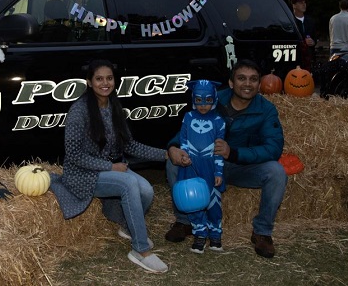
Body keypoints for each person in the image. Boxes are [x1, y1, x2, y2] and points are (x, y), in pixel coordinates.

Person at [49, 59, 169, 273]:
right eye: (99, 79)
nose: (105, 83)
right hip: (82, 174)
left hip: (111, 169)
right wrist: (110, 167)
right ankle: (140, 250)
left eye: (109, 78)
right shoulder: (79, 110)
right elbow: (74, 155)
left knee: (147, 190)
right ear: (89, 82)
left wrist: (166, 154)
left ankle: (126, 225)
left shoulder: (114, 106)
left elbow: (130, 144)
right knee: (129, 183)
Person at [165, 59, 287, 259]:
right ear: (231, 83)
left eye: (253, 79)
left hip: (242, 167)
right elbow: (188, 128)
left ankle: (262, 232)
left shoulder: (266, 110)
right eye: (241, 78)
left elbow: (273, 148)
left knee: (276, 172)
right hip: (206, 165)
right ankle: (185, 221)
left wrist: (234, 153)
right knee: (173, 164)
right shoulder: (212, 99)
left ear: (259, 84)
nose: (247, 84)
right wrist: (173, 147)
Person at [175, 79, 226, 254]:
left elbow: (219, 149)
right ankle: (200, 234)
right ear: (193, 99)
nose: (203, 105)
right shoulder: (188, 117)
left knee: (213, 203)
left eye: (208, 100)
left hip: (211, 167)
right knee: (194, 202)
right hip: (191, 167)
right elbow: (183, 140)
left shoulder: (219, 121)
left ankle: (215, 234)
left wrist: (219, 171)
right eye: (199, 100)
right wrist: (184, 156)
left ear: (214, 99)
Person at [290, 0, 317, 70]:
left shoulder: (310, 21)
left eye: (304, 2)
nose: (304, 4)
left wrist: (313, 42)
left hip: (308, 59)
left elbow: (314, 38)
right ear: (294, 5)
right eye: (300, 3)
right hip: (295, 59)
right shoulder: (290, 21)